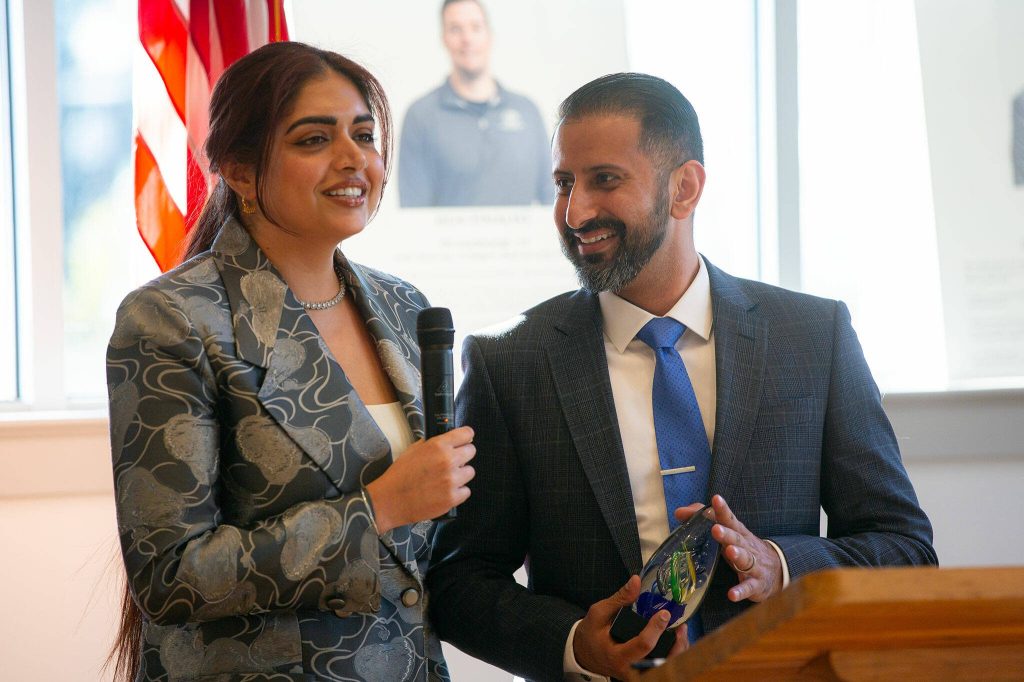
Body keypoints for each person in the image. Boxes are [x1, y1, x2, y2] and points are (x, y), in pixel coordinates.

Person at [427, 72, 937, 682]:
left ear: (685, 188)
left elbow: (904, 548)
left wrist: (779, 566)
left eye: (604, 181)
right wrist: (573, 646)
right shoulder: (510, 360)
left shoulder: (812, 336)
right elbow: (460, 582)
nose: (576, 211)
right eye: (564, 184)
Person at [106, 42, 476, 682]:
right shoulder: (172, 318)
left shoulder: (403, 305)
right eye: (314, 139)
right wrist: (377, 509)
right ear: (240, 170)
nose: (354, 158)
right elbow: (170, 574)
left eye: (365, 134)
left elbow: (428, 546)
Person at [398, 0, 553, 207]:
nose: (467, 39)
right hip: (449, 241)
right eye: (455, 29)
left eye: (475, 27)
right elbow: (414, 210)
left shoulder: (527, 112)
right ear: (444, 39)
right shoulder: (421, 116)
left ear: (490, 35)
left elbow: (551, 197)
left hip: (521, 240)